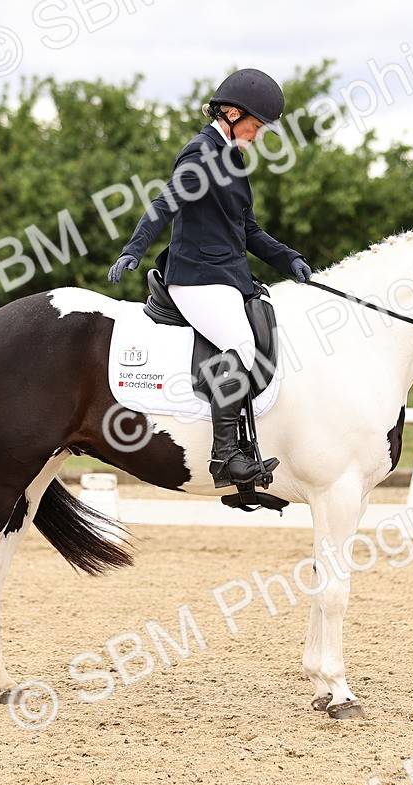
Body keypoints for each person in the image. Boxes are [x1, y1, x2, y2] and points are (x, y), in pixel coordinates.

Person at [108, 68, 312, 489]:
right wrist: (133, 248)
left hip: (225, 275)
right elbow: (164, 204)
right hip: (195, 276)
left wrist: (289, 259)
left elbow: (248, 230)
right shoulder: (200, 153)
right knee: (240, 344)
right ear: (234, 114)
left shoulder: (232, 160)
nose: (256, 136)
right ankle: (226, 457)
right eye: (256, 126)